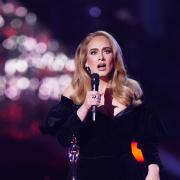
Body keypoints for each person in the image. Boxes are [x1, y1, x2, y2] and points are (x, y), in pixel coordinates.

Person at [41, 31, 165, 180]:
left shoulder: (131, 90)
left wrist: (153, 170)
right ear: (86, 62)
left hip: (126, 173)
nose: (101, 57)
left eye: (106, 51)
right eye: (94, 52)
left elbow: (147, 140)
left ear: (114, 57)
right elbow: (64, 139)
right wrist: (85, 107)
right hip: (87, 174)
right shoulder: (75, 92)